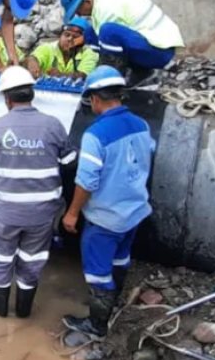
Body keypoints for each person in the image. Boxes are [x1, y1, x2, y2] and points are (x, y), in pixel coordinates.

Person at [60, 66, 156, 339]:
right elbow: (147, 153)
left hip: (106, 217)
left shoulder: (95, 134)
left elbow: (87, 181)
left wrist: (72, 213)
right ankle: (115, 304)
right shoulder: (141, 124)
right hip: (135, 211)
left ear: (95, 99)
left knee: (97, 271)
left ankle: (97, 326)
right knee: (120, 258)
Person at [0, 67, 77, 318]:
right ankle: (24, 314)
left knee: (1, 259)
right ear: (32, 94)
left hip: (6, 212)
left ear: (7, 98)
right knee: (32, 260)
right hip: (42, 213)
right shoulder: (53, 125)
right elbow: (70, 162)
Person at [59, 0, 185, 86]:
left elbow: (110, 47)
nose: (77, 14)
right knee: (90, 33)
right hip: (149, 44)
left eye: (77, 9)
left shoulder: (107, 9)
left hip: (160, 52)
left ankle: (112, 85)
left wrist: (100, 82)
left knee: (108, 32)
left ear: (87, 2)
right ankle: (142, 73)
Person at [23, 17, 99, 79]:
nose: (69, 39)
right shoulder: (48, 48)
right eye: (66, 35)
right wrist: (32, 64)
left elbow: (84, 76)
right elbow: (32, 58)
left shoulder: (90, 53)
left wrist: (60, 75)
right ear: (60, 36)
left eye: (75, 37)